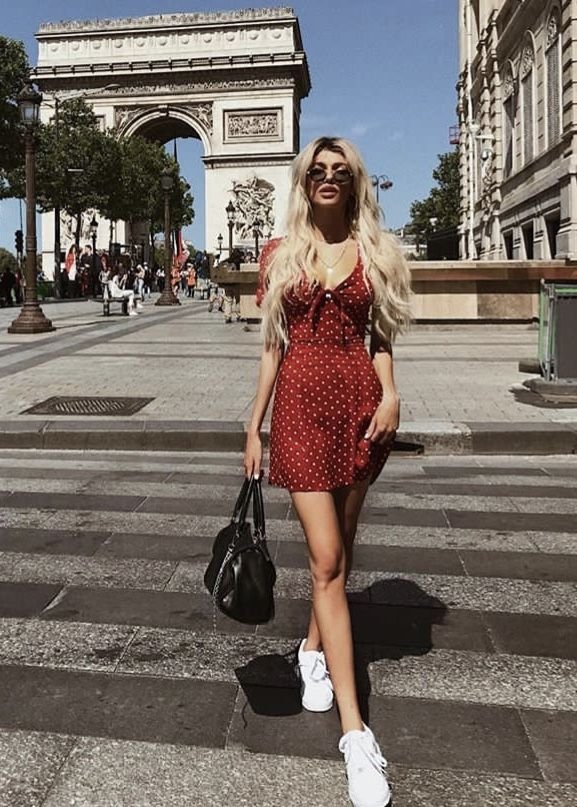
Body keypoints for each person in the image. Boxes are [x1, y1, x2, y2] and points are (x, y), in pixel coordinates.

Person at [244, 136, 411, 807]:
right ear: (303, 180)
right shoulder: (280, 254)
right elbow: (269, 348)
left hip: (363, 411)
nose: (328, 177)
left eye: (340, 171)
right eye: (316, 170)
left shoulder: (377, 251)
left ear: (355, 182)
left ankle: (311, 650)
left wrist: (392, 392)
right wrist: (250, 423)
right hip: (301, 411)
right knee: (325, 559)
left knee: (339, 552)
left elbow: (380, 337)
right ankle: (355, 734)